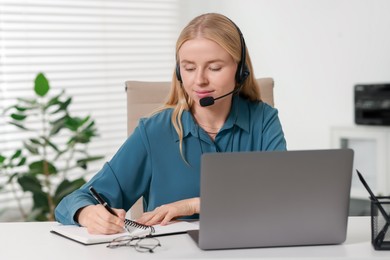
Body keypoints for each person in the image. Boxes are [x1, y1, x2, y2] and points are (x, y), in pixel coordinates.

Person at [55, 13, 287, 235]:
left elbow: (281, 197)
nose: (199, 80)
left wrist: (194, 205)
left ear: (241, 71)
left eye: (215, 68)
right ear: (178, 71)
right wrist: (87, 214)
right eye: (188, 68)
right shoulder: (154, 132)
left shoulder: (263, 121)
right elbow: (76, 200)